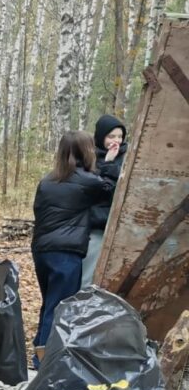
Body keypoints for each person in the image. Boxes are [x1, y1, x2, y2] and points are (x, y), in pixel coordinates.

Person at [32, 131, 114, 362]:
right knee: (59, 308)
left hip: (41, 250)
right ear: (85, 152)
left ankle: (38, 352)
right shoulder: (88, 181)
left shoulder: (47, 180)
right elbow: (109, 188)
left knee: (49, 304)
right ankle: (45, 363)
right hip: (65, 252)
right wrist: (107, 164)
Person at [81, 114, 127, 287]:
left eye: (120, 136)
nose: (116, 141)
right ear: (101, 137)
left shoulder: (128, 157)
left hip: (120, 227)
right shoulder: (90, 158)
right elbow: (96, 190)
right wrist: (107, 163)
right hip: (96, 225)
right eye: (111, 136)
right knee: (88, 274)